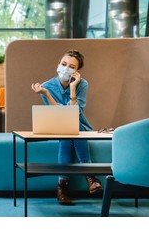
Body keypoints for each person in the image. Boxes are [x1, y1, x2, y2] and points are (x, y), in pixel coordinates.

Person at [31, 49, 103, 205]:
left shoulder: (82, 84)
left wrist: (72, 88)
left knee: (71, 129)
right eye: (63, 64)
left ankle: (62, 185)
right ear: (58, 64)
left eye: (71, 67)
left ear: (76, 71)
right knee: (67, 129)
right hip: (59, 125)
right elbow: (59, 115)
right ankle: (91, 176)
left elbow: (74, 113)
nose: (66, 68)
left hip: (79, 126)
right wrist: (46, 93)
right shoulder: (46, 86)